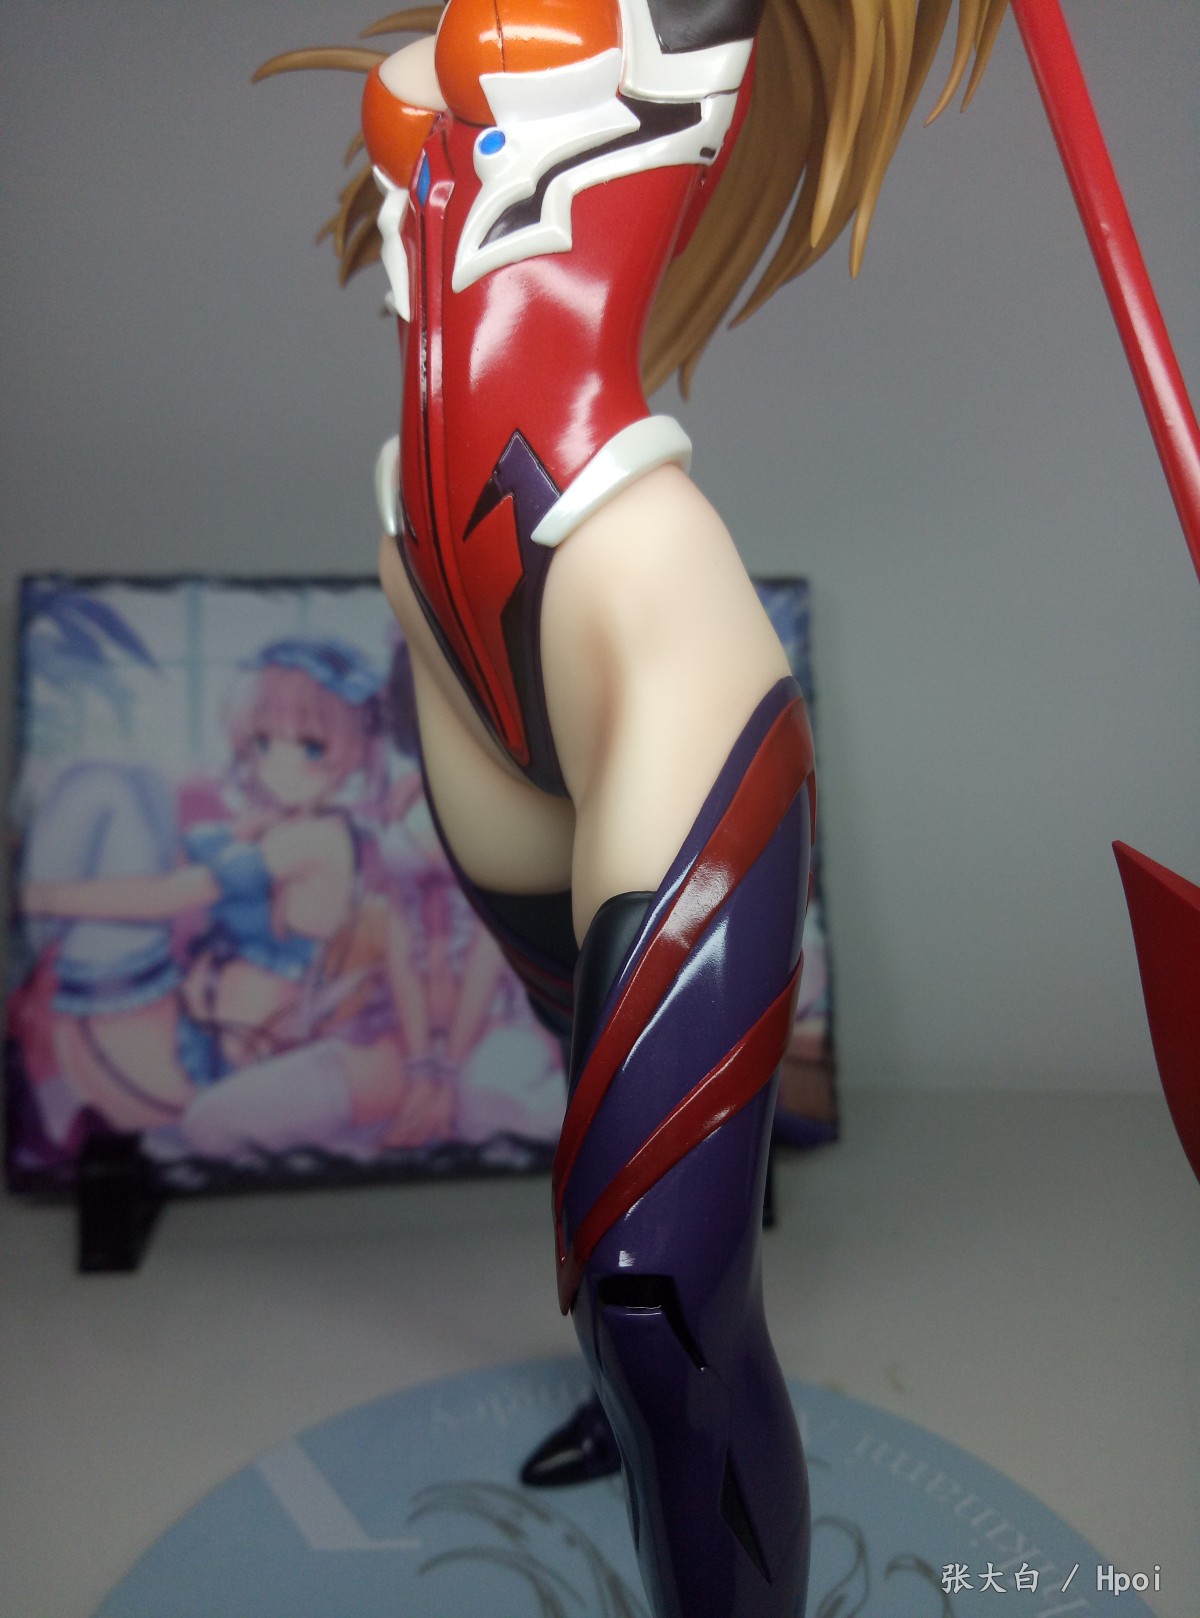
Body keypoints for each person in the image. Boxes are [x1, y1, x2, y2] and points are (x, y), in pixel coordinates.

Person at [256, 4, 1005, 1614]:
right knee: (585, 1076)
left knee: (653, 1280)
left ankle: (667, 1410)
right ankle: (640, 1409)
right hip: (456, 639)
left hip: (639, 635)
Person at [20, 638, 447, 1158]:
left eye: (311, 748)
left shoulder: (310, 841)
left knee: (102, 787)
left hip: (206, 1059)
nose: (277, 765)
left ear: (357, 751)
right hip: (190, 1024)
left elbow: (166, 898)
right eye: (262, 744)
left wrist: (32, 897)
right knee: (134, 784)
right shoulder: (300, 826)